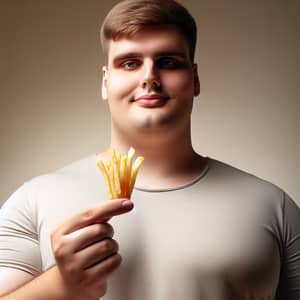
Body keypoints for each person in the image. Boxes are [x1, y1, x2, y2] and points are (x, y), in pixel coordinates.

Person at [0, 0, 299, 299]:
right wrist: (61, 286)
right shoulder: (35, 200)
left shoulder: (274, 207)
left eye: (168, 62)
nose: (149, 77)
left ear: (194, 79)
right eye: (130, 63)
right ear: (105, 82)